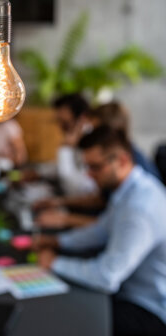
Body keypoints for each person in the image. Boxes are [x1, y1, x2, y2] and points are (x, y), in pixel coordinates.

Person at [34, 126, 166, 336]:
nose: (89, 175)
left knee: (61, 319)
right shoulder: (130, 189)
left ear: (122, 161)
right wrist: (58, 241)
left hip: (148, 310)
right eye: (87, 167)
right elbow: (101, 230)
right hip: (130, 292)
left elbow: (107, 277)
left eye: (95, 167)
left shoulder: (140, 209)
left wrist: (54, 262)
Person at [36, 101, 162, 229]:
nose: (91, 136)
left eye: (95, 131)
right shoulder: (122, 155)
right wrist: (60, 202)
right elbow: (102, 200)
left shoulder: (131, 167)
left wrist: (66, 220)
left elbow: (115, 224)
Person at [52, 93, 96, 196]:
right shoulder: (79, 140)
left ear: (82, 119)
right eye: (59, 122)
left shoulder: (92, 143)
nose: (61, 127)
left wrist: (66, 148)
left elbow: (72, 187)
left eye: (65, 123)